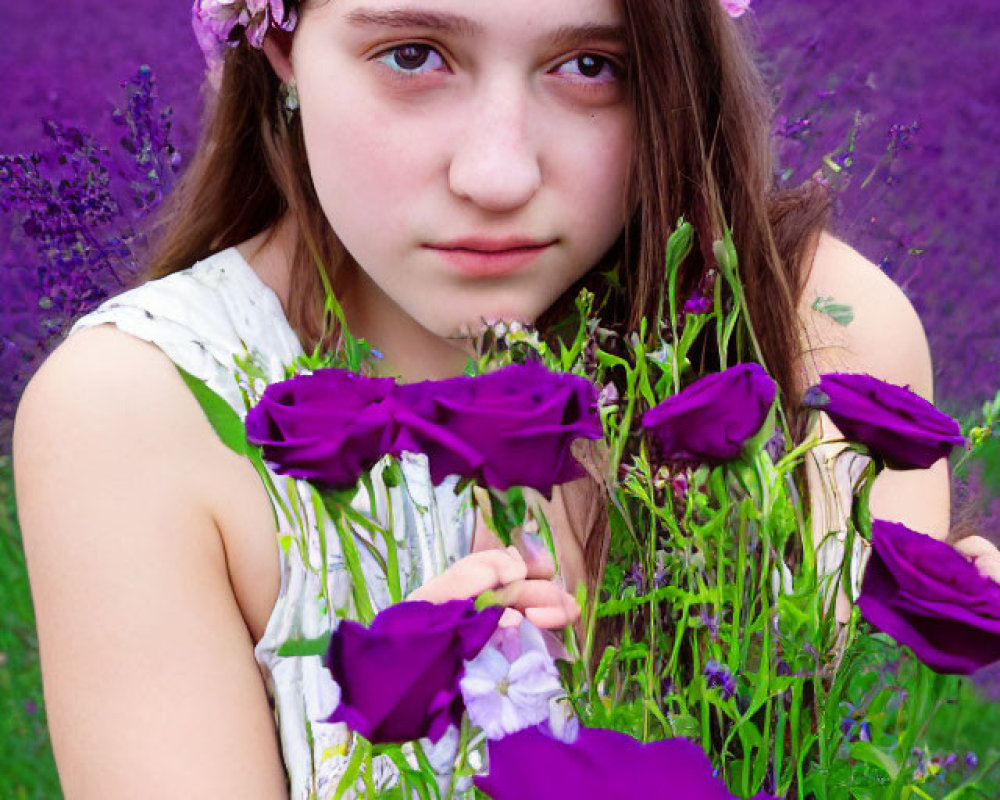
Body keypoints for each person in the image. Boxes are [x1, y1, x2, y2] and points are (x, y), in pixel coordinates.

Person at [12, 0, 1000, 797]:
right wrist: (389, 744)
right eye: (411, 54)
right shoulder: (144, 413)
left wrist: (903, 679)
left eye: (590, 65)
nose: (497, 172)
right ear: (277, 39)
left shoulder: (818, 339)